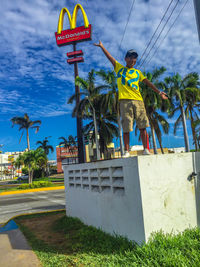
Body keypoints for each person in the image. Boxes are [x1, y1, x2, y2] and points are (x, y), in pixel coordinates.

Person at [94, 40, 168, 157]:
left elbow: (148, 82)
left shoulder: (138, 72)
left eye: (135, 58)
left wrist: (159, 92)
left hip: (138, 101)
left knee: (143, 126)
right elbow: (110, 57)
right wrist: (102, 46)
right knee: (126, 127)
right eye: (130, 57)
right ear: (125, 59)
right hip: (124, 101)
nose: (133, 60)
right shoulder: (119, 68)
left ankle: (146, 149)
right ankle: (127, 151)